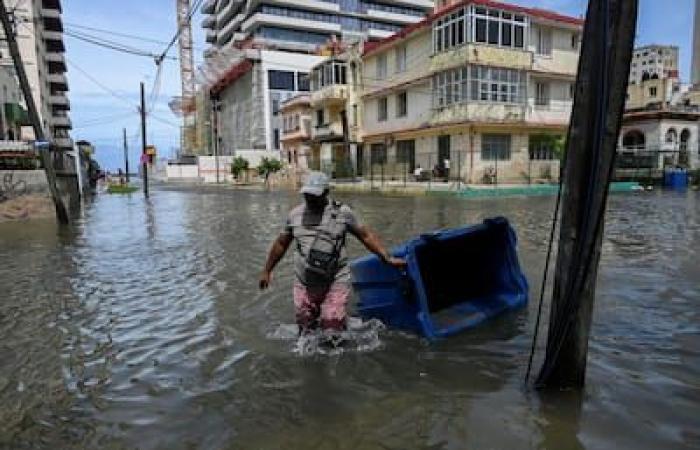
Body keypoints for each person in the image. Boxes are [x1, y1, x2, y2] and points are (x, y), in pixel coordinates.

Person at [259, 172, 405, 333]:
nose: (310, 200)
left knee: (332, 327)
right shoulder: (295, 215)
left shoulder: (343, 213)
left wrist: (386, 257)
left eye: (315, 196)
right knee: (305, 328)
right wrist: (267, 270)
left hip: (336, 278)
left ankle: (338, 333)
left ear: (326, 193)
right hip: (305, 281)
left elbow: (366, 236)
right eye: (307, 195)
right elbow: (281, 243)